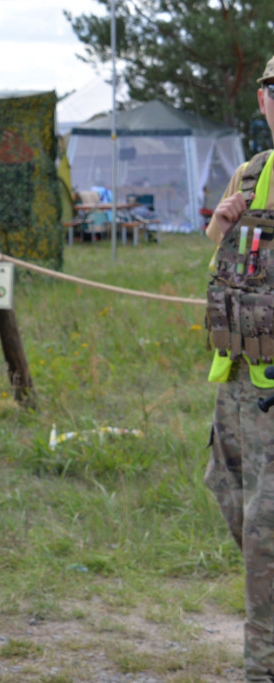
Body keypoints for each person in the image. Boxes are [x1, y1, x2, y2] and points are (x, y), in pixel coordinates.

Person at [204, 53, 274, 682]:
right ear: (262, 100)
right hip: (234, 389)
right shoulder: (250, 174)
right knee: (229, 500)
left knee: (265, 538)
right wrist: (223, 223)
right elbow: (225, 271)